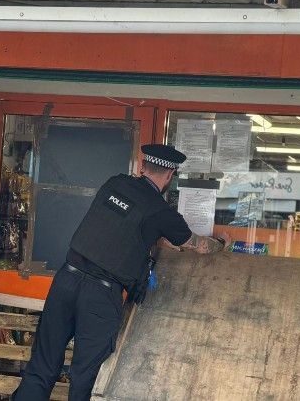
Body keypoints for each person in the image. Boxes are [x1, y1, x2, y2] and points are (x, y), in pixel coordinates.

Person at [13, 144, 228, 401]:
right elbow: (196, 244)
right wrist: (222, 243)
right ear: (169, 176)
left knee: (42, 366)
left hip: (66, 280)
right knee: (84, 377)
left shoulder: (114, 184)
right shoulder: (160, 211)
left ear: (142, 167)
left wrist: (154, 236)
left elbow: (123, 224)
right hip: (100, 297)